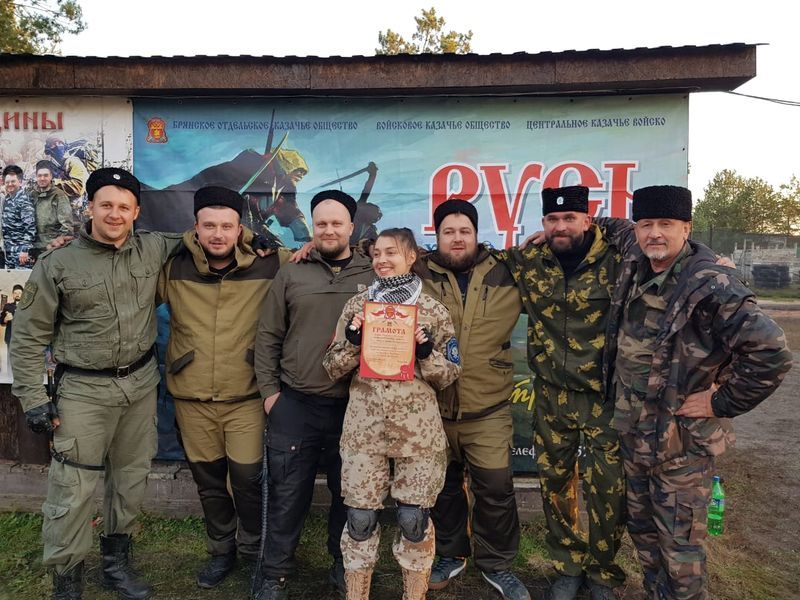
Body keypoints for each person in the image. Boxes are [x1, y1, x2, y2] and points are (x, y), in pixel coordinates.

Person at [604, 185, 793, 600]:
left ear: (686, 228)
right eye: (646, 224)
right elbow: (612, 227)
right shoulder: (636, 257)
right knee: (644, 537)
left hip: (682, 447)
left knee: (681, 551)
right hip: (635, 437)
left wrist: (719, 401)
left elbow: (772, 352)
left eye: (666, 224)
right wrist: (575, 224)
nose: (655, 233)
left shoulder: (712, 284)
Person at [11, 167, 185, 600]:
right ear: (89, 207)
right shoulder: (58, 263)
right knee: (72, 490)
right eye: (106, 204)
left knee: (130, 480)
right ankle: (67, 579)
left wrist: (256, 241)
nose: (114, 214)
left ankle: (116, 565)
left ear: (136, 212)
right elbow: (27, 337)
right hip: (83, 392)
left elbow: (205, 237)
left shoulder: (153, 247)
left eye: (124, 206)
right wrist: (33, 398)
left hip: (139, 386)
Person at [498, 186, 631, 600]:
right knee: (555, 484)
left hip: (603, 397)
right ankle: (567, 567)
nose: (560, 227)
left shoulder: (619, 260)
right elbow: (467, 260)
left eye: (570, 218)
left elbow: (668, 249)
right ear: (542, 223)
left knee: (608, 489)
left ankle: (603, 573)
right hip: (552, 394)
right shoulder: (528, 260)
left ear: (587, 220)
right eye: (552, 220)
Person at [157, 186, 289, 589]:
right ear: (195, 227)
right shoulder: (172, 266)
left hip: (245, 395)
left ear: (240, 228)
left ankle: (252, 547)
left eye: (227, 226)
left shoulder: (270, 263)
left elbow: (318, 256)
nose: (218, 234)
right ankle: (221, 550)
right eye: (209, 225)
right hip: (192, 396)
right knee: (210, 482)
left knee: (248, 481)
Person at [323, 227, 462, 600]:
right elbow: (331, 367)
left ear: (411, 256)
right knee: (360, 519)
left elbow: (449, 374)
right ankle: (357, 593)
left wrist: (426, 353)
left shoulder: (432, 311)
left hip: (417, 433)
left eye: (392, 253)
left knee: (413, 519)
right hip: (364, 430)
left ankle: (414, 594)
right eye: (377, 254)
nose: (382, 260)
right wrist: (353, 344)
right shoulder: (358, 307)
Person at [252, 189, 375, 600]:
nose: (328, 230)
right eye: (321, 223)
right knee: (287, 496)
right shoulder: (292, 271)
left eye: (337, 223)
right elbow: (268, 335)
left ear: (351, 227)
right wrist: (270, 394)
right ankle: (274, 575)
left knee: (349, 495)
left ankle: (343, 566)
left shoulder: (374, 272)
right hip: (296, 404)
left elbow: (413, 261)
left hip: (355, 407)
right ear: (312, 225)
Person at [418, 199, 530, 600]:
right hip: (432, 405)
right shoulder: (417, 271)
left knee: (495, 487)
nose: (457, 238)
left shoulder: (507, 269)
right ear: (436, 235)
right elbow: (373, 255)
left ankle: (497, 563)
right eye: (448, 231)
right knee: (443, 487)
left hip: (488, 407)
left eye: (465, 230)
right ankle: (451, 554)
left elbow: (561, 255)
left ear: (477, 234)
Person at [30, 160, 74, 257]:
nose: (42, 178)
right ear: (36, 176)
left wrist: (57, 245)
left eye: (46, 175)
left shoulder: (59, 195)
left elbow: (67, 226)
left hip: (51, 248)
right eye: (39, 176)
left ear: (51, 176)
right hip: (33, 248)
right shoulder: (31, 195)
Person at [2, 164, 36, 269]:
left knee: (22, 279)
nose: (10, 184)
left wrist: (25, 250)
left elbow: (30, 228)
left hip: (22, 254)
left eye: (13, 181)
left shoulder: (24, 200)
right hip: (9, 252)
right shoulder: (7, 199)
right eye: (7, 182)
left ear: (20, 182)